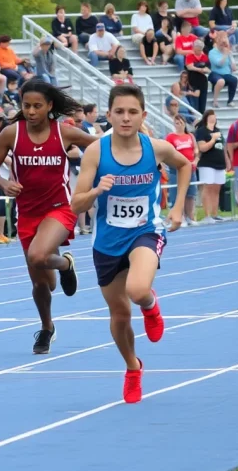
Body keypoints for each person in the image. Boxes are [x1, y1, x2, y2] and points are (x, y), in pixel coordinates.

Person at [71, 84, 191, 404]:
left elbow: (185, 165)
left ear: (143, 116)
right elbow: (76, 204)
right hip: (108, 242)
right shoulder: (97, 151)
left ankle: (151, 307)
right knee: (120, 315)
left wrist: (177, 207)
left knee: (138, 291)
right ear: (109, 115)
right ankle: (133, 367)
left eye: (132, 112)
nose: (126, 118)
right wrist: (96, 192)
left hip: (145, 231)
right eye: (119, 112)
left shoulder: (156, 147)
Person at [0, 78, 97, 355]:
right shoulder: (11, 134)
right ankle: (47, 326)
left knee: (37, 256)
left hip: (59, 208)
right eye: (27, 106)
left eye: (38, 106)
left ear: (49, 106)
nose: (32, 111)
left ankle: (64, 264)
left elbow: (99, 146)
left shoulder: (64, 132)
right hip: (27, 212)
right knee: (42, 283)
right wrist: (4, 184)